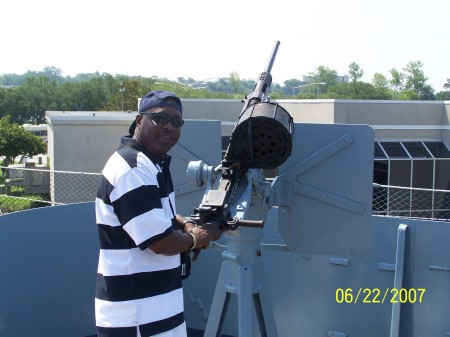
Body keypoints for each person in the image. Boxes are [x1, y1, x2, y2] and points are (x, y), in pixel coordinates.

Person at [95, 90, 222, 337]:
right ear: (139, 120)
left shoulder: (149, 164)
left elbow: (153, 213)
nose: (169, 127)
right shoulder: (132, 169)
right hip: (135, 315)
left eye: (177, 122)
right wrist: (202, 237)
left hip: (157, 309)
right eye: (160, 118)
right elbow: (160, 242)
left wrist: (184, 224)